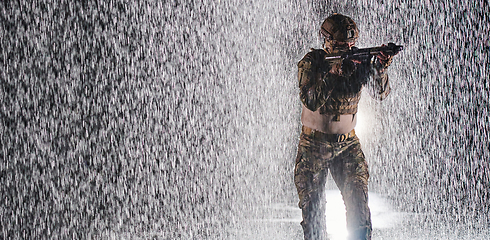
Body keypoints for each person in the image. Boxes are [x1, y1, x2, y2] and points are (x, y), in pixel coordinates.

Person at [294, 13, 398, 240]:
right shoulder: (312, 63)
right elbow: (311, 100)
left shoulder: (358, 62)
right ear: (327, 42)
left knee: (359, 211)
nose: (348, 50)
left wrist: (380, 67)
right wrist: (333, 73)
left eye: (351, 45)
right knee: (313, 216)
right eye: (341, 46)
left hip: (348, 145)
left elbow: (380, 94)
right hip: (314, 146)